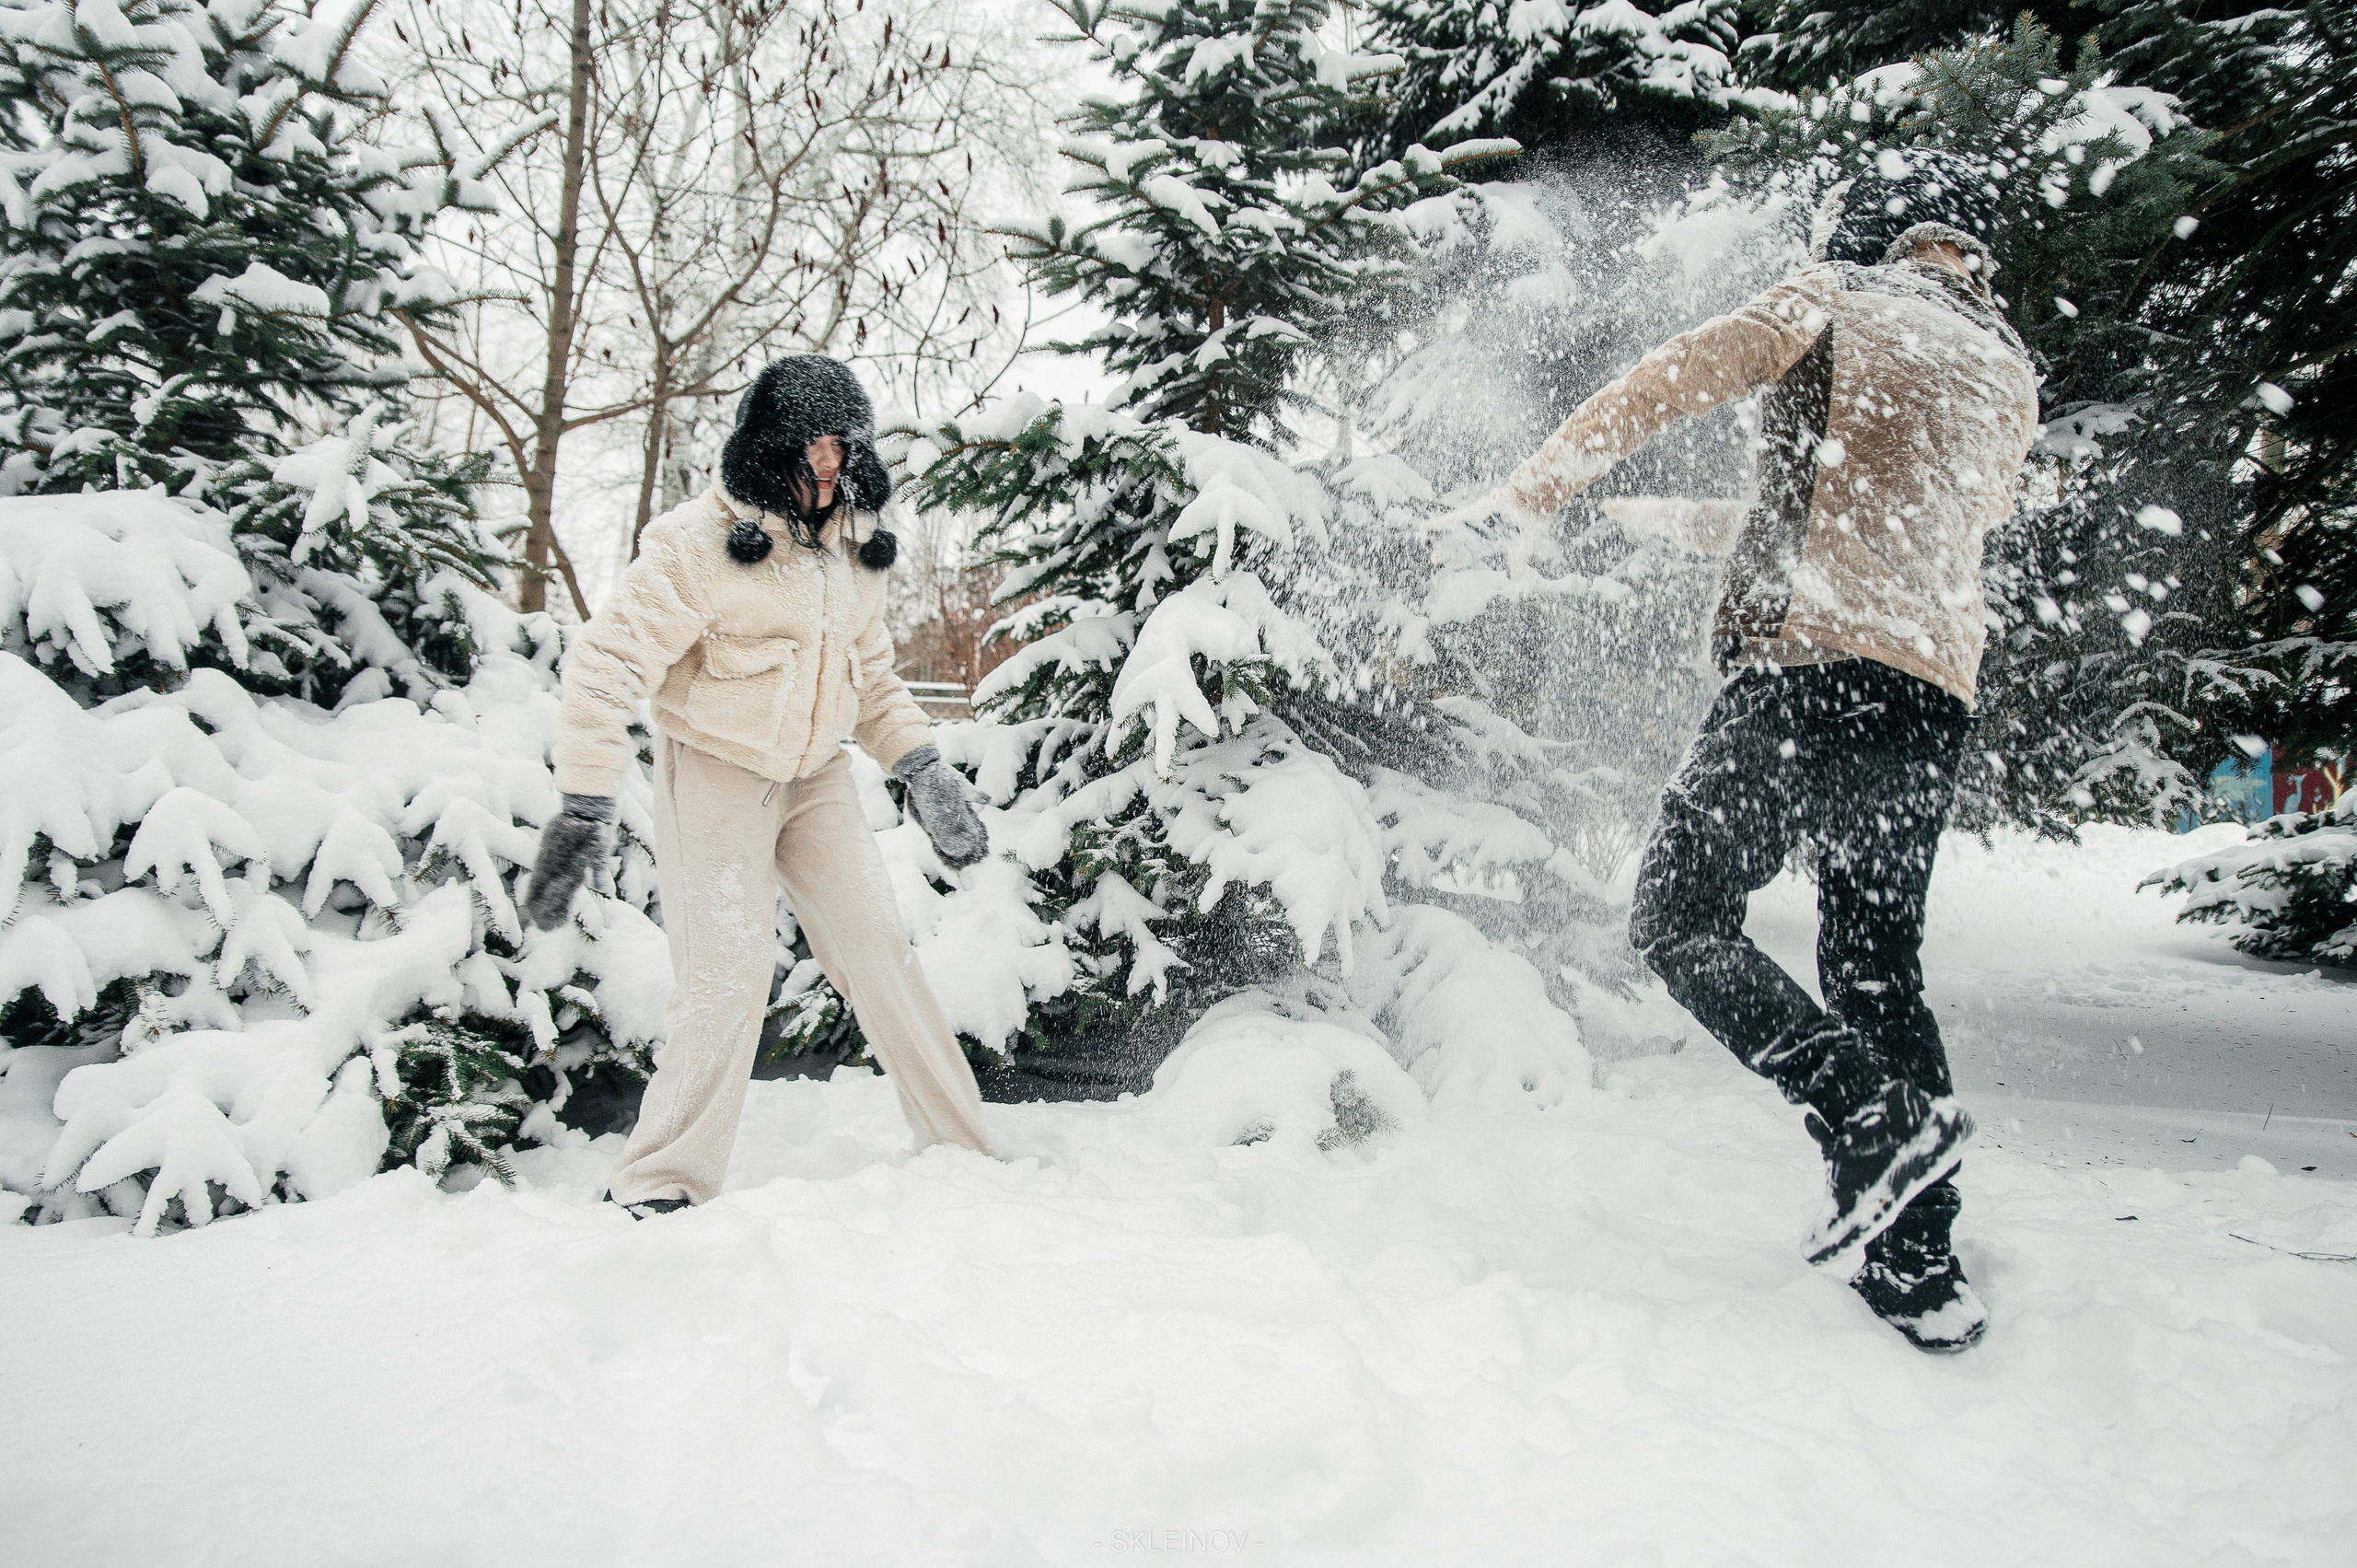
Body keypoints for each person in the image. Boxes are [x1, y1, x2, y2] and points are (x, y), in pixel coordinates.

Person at [1471, 152, 2040, 1351]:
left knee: (1679, 914)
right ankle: (1920, 1264)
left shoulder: (1834, 296)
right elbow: (1888, 518)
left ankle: (1865, 1116)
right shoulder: (2004, 369)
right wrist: (1649, 521)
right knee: (1877, 964)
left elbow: (1679, 375)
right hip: (1930, 696)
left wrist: (1539, 484)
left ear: (1871, 231)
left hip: (1806, 673)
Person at [522, 354, 997, 1217]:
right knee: (728, 971)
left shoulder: (856, 550)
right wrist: (586, 798)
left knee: (879, 951)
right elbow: (604, 665)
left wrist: (920, 767)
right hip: (714, 770)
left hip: (815, 775)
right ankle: (661, 1180)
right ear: (772, 444)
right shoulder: (697, 548)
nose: (828, 461)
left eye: (842, 443)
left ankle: (964, 1144)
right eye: (812, 443)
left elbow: (874, 679)